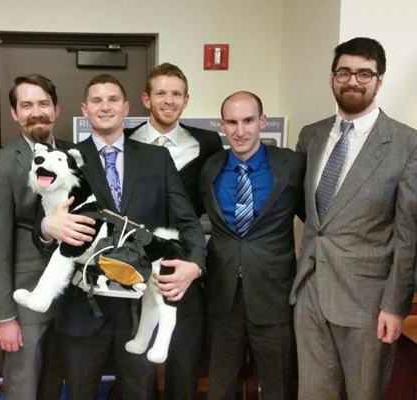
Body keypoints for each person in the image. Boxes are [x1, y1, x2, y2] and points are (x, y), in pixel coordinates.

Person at [39, 74, 206, 399]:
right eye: (97, 100)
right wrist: (48, 227)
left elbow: (188, 220)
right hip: (83, 311)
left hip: (138, 312)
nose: (105, 107)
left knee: (139, 394)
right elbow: (40, 226)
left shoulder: (156, 159)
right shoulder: (65, 159)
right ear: (84, 109)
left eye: (113, 99)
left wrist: (196, 264)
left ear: (126, 108)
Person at [290, 37, 417, 399]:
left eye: (364, 74)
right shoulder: (311, 136)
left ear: (379, 80)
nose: (352, 81)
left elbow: (408, 234)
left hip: (368, 302)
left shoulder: (406, 143)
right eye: (344, 72)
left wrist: (395, 305)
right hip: (310, 290)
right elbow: (311, 212)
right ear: (332, 78)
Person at [126, 63, 223, 399]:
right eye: (161, 93)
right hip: (138, 263)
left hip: (185, 266)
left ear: (186, 100)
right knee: (139, 362)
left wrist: (198, 261)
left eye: (176, 94)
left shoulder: (208, 143)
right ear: (146, 99)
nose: (169, 101)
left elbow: (213, 202)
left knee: (184, 358)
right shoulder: (127, 141)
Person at [201, 91, 305, 399]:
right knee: (219, 387)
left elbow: (315, 219)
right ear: (222, 125)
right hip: (223, 297)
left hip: (273, 296)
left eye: (248, 120)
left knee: (277, 387)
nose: (240, 131)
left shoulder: (292, 165)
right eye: (232, 122)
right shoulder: (210, 168)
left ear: (263, 121)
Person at [0, 74, 71, 400]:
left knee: (54, 388)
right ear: (15, 113)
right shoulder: (0, 166)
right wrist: (4, 317)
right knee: (23, 390)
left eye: (43, 103)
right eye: (27, 105)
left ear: (56, 109)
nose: (36, 112)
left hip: (73, 303)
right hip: (25, 305)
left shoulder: (75, 155)